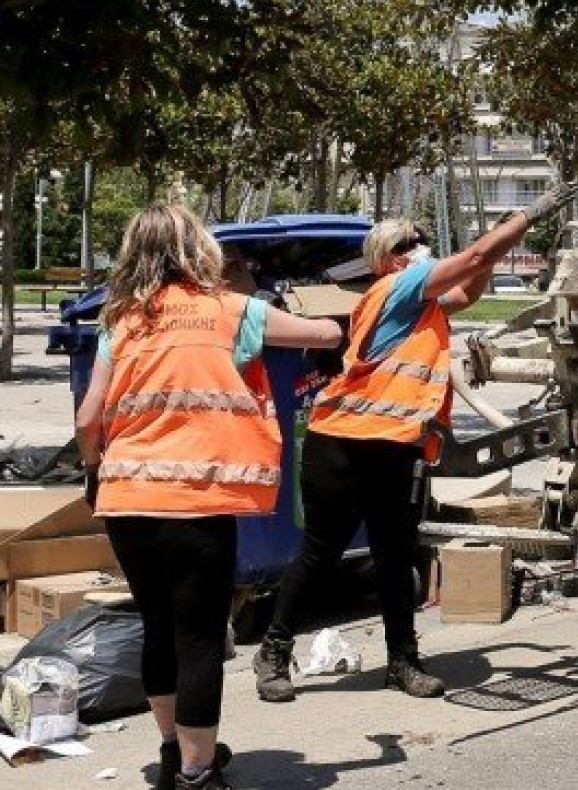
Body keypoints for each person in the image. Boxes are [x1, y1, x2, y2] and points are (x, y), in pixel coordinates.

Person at [252, 182, 578, 703]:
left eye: (420, 241)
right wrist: (527, 216)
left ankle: (403, 662)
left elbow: (469, 289)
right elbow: (475, 255)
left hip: (393, 447)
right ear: (384, 260)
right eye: (406, 244)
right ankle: (272, 652)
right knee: (320, 552)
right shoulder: (397, 288)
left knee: (393, 555)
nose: (417, 249)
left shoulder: (421, 299)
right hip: (342, 442)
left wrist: (481, 262)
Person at [75, 205, 344, 790]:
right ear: (198, 250)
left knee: (158, 628)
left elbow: (89, 414)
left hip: (127, 501)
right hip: (197, 501)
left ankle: (173, 751)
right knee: (199, 636)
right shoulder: (230, 311)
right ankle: (199, 774)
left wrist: (96, 465)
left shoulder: (118, 320)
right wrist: (295, 305)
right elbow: (325, 334)